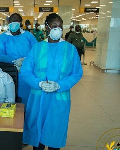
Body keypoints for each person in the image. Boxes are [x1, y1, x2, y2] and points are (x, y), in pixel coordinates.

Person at [21, 13, 83, 150]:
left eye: (60, 26)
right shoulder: (37, 48)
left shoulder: (70, 49)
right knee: (38, 135)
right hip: (38, 97)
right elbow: (26, 71)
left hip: (59, 98)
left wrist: (59, 85)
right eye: (54, 26)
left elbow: (77, 73)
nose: (58, 29)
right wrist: (39, 83)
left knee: (55, 133)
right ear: (47, 27)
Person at [0, 13, 37, 107]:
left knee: (26, 100)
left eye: (16, 21)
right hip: (9, 72)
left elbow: (36, 52)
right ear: (8, 23)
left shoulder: (29, 36)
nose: (13, 23)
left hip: (27, 72)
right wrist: (16, 60)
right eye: (11, 21)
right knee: (10, 98)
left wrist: (25, 60)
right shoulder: (3, 37)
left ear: (20, 23)